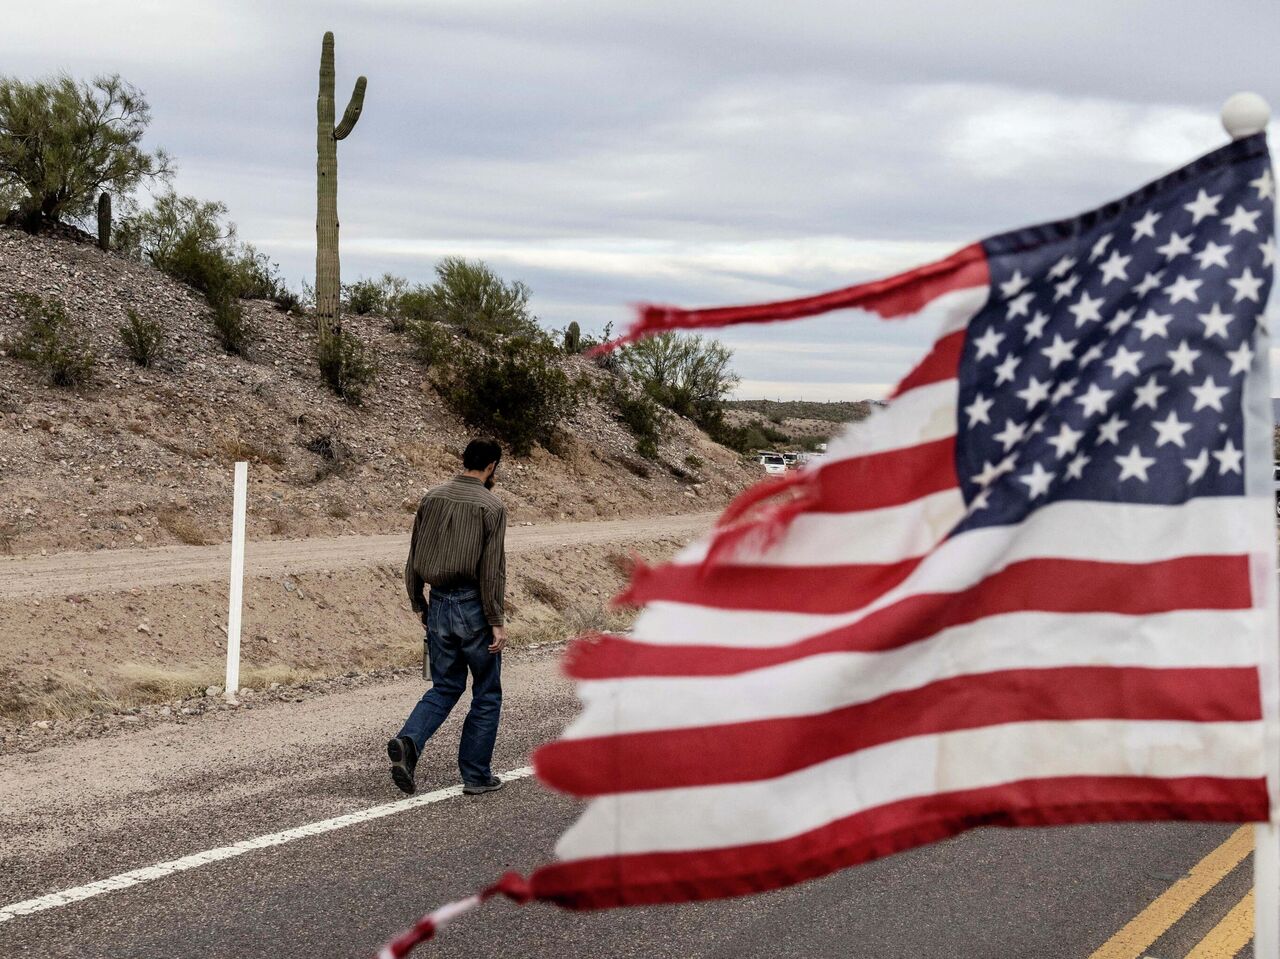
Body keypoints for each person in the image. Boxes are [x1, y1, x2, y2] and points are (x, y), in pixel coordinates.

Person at [388, 437, 508, 796]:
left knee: (445, 685)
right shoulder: (492, 507)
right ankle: (476, 775)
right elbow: (491, 571)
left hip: (437, 604)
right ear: (491, 467)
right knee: (486, 692)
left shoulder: (431, 497)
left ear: (464, 459)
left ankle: (409, 741)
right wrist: (496, 619)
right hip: (473, 608)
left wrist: (418, 603)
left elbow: (413, 556)